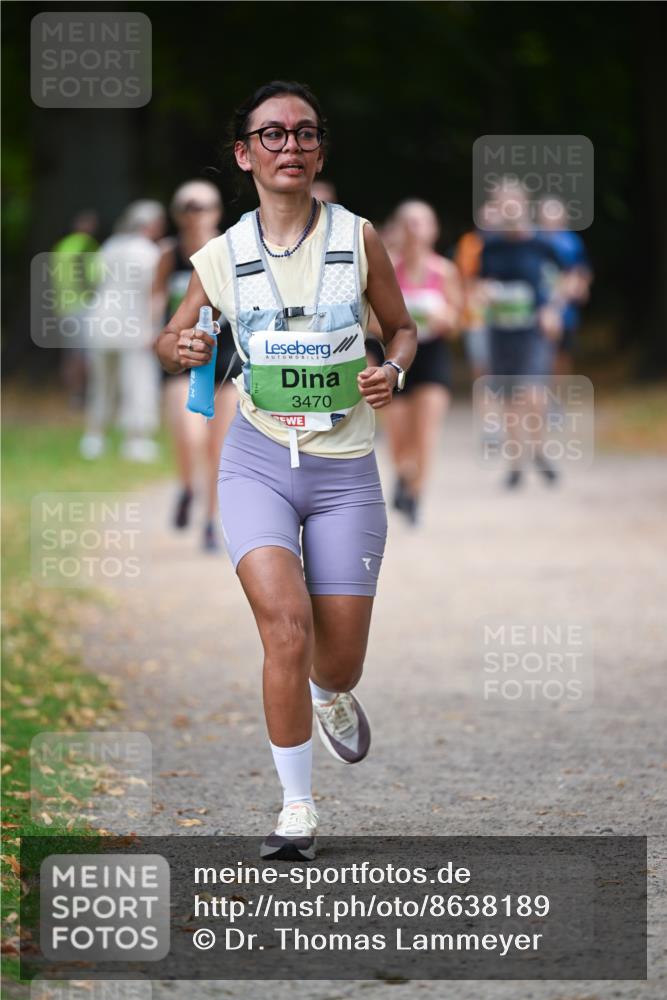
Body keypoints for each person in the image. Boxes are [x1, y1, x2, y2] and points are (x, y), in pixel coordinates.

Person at [156, 80, 417, 859]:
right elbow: (171, 338)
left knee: (336, 660)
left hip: (344, 472)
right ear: (245, 154)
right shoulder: (221, 255)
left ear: (319, 150)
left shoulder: (357, 239)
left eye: (304, 132)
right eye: (271, 134)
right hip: (256, 464)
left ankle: (330, 693)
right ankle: (296, 808)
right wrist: (184, 345)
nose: (289, 145)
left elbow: (401, 328)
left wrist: (392, 370)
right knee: (284, 628)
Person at [153, 181, 241, 551]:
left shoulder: (232, 249)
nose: (196, 214)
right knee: (191, 436)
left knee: (220, 445)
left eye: (202, 206)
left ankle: (210, 520)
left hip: (225, 356)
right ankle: (188, 487)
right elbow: (155, 299)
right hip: (181, 355)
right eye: (188, 207)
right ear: (178, 214)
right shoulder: (169, 254)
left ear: (216, 211)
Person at [381, 200, 462, 524]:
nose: (414, 230)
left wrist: (446, 318)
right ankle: (404, 473)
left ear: (433, 230)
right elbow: (370, 320)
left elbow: (458, 321)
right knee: (399, 436)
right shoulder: (387, 270)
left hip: (433, 356)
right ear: (398, 230)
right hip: (397, 358)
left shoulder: (445, 272)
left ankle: (415, 495)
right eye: (408, 223)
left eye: (421, 222)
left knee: (425, 432)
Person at [480, 181, 564, 488]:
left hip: (533, 330)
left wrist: (552, 309)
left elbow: (568, 279)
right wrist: (485, 292)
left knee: (533, 393)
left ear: (524, 205)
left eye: (513, 203)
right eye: (502, 204)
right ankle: (516, 463)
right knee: (509, 398)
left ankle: (539, 450)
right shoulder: (491, 246)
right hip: (501, 330)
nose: (508, 209)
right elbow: (479, 282)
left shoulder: (543, 244)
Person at [79, 201, 165, 462]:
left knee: (102, 384)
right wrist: (153, 328)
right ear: (151, 225)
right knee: (138, 382)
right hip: (133, 324)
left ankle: (94, 438)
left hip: (99, 321)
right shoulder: (149, 252)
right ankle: (136, 441)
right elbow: (154, 294)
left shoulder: (109, 246)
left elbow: (94, 283)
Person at [537, 197, 593, 376]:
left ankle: (560, 390)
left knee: (563, 354)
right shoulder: (533, 239)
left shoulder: (572, 242)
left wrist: (581, 287)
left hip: (566, 308)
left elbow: (582, 271)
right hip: (539, 307)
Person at [50, 210, 100, 409]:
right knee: (85, 353)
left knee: (71, 353)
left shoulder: (62, 245)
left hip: (63, 306)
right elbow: (88, 276)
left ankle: (74, 395)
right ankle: (84, 395)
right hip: (82, 305)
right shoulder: (87, 245)